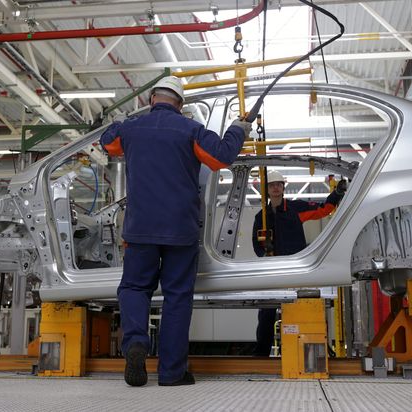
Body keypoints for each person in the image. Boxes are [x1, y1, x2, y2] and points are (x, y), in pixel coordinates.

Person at [100, 75, 251, 386]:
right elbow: (221, 157)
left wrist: (121, 121)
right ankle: (172, 372)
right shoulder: (191, 130)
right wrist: (239, 129)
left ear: (152, 99)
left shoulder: (132, 129)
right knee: (177, 297)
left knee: (134, 288)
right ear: (180, 105)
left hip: (140, 229)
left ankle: (136, 343)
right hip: (180, 229)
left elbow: (107, 142)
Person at [251, 170, 347, 356]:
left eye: (279, 184)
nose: (276, 188)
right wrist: (264, 254)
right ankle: (261, 355)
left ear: (283, 187)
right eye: (272, 185)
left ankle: (307, 354)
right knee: (266, 314)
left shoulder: (296, 209)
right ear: (266, 190)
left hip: (296, 271)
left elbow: (323, 209)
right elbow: (256, 244)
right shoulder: (260, 217)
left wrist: (337, 193)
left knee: (302, 310)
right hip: (273, 273)